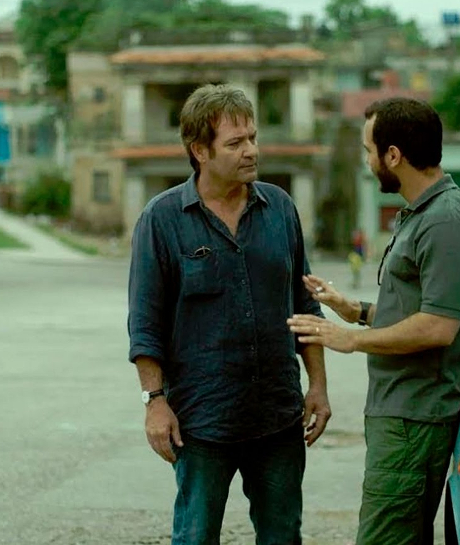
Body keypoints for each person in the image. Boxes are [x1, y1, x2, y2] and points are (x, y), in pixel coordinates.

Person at [127, 84, 331, 545]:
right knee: (196, 537)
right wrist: (154, 402)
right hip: (202, 423)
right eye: (235, 143)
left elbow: (305, 306)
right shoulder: (162, 219)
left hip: (278, 418)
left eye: (253, 138)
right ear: (200, 151)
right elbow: (145, 323)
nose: (251, 151)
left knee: (282, 536)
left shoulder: (280, 209)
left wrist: (317, 385)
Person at [287, 97, 460, 545]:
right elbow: (418, 309)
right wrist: (357, 311)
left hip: (416, 415)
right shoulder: (424, 214)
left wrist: (350, 339)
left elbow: (439, 326)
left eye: (369, 151)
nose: (367, 161)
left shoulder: (444, 222)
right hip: (403, 412)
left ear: (393, 155)